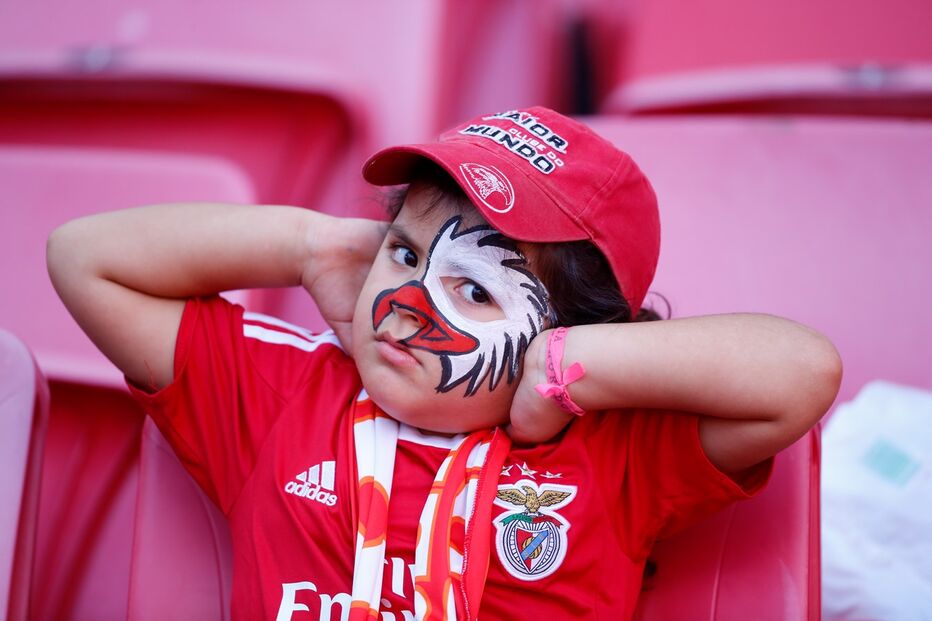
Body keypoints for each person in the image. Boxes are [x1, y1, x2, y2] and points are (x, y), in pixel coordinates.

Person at [47, 106, 841, 620]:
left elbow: (801, 373)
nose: (406, 299)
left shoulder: (613, 450)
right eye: (404, 251)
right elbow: (83, 257)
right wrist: (311, 245)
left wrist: (570, 366)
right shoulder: (285, 393)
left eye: (475, 291)